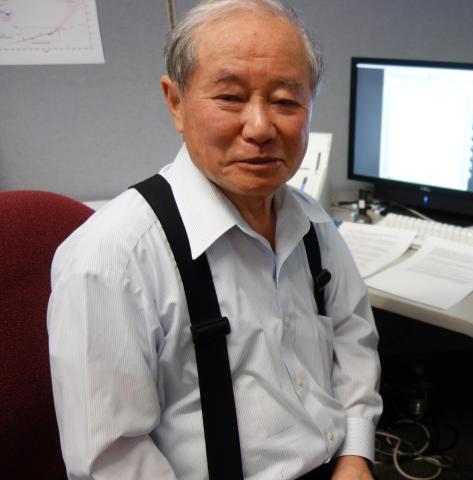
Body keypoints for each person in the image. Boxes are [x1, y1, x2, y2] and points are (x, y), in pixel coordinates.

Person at [47, 0, 382, 478]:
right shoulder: (111, 260)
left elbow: (351, 337)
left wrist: (355, 452)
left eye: (287, 101)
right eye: (230, 98)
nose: (262, 127)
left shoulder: (311, 223)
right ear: (176, 102)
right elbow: (112, 461)